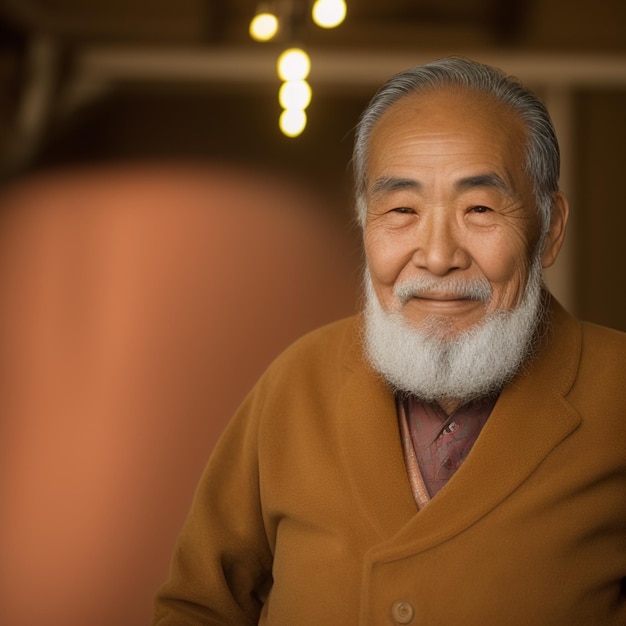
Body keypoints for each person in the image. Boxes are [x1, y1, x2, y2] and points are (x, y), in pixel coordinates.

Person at [152, 57, 626, 625]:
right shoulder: (297, 382)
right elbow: (198, 608)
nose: (437, 256)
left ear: (548, 230)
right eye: (401, 210)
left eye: (479, 208)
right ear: (365, 223)